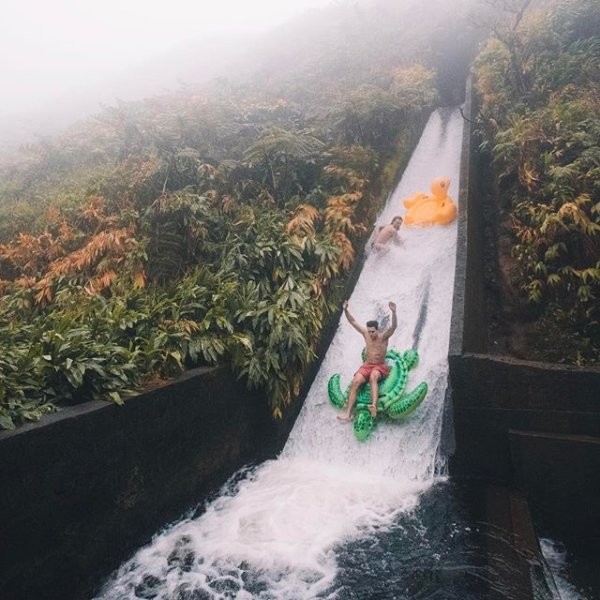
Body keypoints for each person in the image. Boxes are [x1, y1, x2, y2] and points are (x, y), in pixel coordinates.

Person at [337, 300, 397, 421]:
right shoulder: (366, 333)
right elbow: (353, 322)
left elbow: (394, 327)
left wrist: (394, 312)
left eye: (372, 332)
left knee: (373, 377)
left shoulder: (384, 336)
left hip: (379, 366)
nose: (370, 334)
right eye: (369, 331)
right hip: (367, 365)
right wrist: (346, 310)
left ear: (377, 330)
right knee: (355, 382)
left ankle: (373, 405)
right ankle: (348, 414)